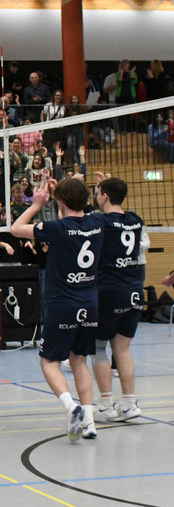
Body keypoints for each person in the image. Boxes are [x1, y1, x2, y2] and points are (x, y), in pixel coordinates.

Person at [10, 178, 104, 440]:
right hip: (89, 304)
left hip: (62, 304)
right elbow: (102, 205)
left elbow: (16, 228)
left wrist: (38, 203)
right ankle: (90, 422)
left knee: (49, 361)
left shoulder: (57, 228)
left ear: (60, 202)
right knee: (79, 360)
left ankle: (71, 407)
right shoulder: (98, 223)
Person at [91, 175, 145, 422]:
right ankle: (129, 403)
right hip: (134, 290)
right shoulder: (135, 220)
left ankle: (105, 404)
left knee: (98, 346)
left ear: (105, 196)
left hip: (109, 291)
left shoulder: (100, 221)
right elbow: (117, 201)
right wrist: (108, 183)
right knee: (122, 349)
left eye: (98, 192)